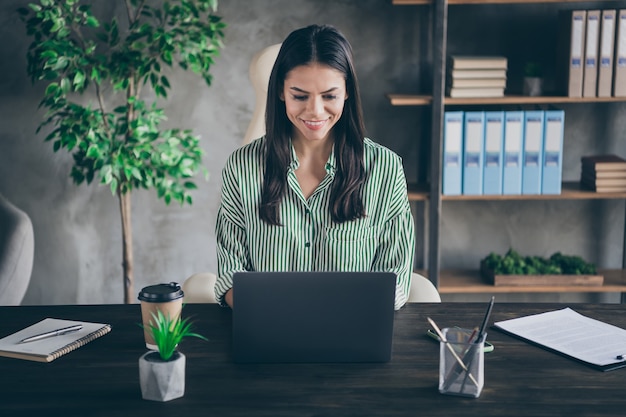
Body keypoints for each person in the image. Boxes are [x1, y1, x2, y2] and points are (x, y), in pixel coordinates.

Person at [215, 24, 415, 310]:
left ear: (347, 93)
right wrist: (266, 312)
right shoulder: (242, 167)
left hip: (352, 334)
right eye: (300, 96)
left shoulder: (385, 168)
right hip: (268, 331)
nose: (315, 111)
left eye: (329, 96)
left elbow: (396, 280)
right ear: (281, 92)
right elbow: (229, 275)